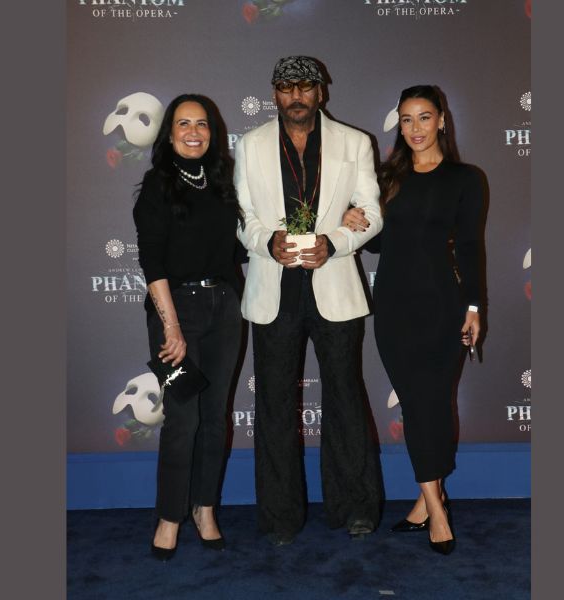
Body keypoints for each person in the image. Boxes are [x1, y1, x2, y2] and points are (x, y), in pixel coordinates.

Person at [234, 56, 385, 545]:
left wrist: (335, 243)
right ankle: (280, 517)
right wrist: (266, 242)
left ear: (322, 92)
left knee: (345, 397)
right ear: (274, 94)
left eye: (305, 86)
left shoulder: (355, 142)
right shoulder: (250, 145)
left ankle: (355, 507)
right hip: (273, 286)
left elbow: (372, 212)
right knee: (274, 403)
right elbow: (242, 215)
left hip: (333, 283)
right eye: (286, 87)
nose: (296, 95)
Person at [344, 84, 485, 555]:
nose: (416, 128)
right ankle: (437, 508)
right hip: (395, 307)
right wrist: (356, 222)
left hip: (443, 305)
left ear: (441, 119)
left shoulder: (466, 179)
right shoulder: (387, 178)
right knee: (417, 404)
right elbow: (379, 243)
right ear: (399, 125)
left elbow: (470, 246)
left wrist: (474, 306)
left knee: (436, 404)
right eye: (406, 119)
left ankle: (427, 503)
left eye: (424, 117)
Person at [132, 93, 244, 560]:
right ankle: (169, 516)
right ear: (170, 132)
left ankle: (204, 508)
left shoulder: (222, 183)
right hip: (175, 312)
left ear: (211, 133)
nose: (193, 132)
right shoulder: (157, 185)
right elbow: (152, 262)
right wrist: (172, 329)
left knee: (215, 417)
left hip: (225, 310)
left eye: (201, 124)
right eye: (184, 124)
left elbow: (247, 241)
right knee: (183, 418)